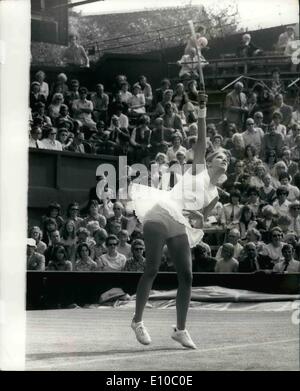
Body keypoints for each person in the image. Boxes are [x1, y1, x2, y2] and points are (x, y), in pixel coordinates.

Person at [130, 92, 228, 349]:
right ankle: (137, 321)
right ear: (207, 161)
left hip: (180, 225)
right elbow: (202, 139)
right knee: (151, 268)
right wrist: (203, 109)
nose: (224, 159)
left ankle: (180, 329)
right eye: (220, 156)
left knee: (187, 276)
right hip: (161, 213)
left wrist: (198, 218)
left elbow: (200, 223)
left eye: (226, 158)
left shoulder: (215, 195)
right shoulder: (198, 168)